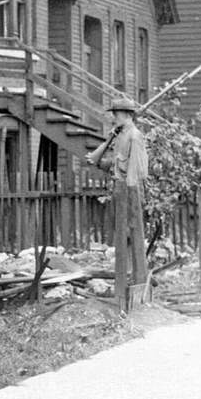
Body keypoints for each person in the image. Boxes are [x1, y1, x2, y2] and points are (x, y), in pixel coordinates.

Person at [87, 97, 151, 306]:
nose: (113, 118)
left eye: (116, 114)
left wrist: (130, 193)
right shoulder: (119, 136)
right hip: (119, 188)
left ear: (125, 115)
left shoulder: (134, 136)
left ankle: (137, 280)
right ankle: (125, 280)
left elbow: (137, 170)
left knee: (134, 233)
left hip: (129, 189)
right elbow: (114, 164)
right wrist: (103, 153)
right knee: (121, 236)